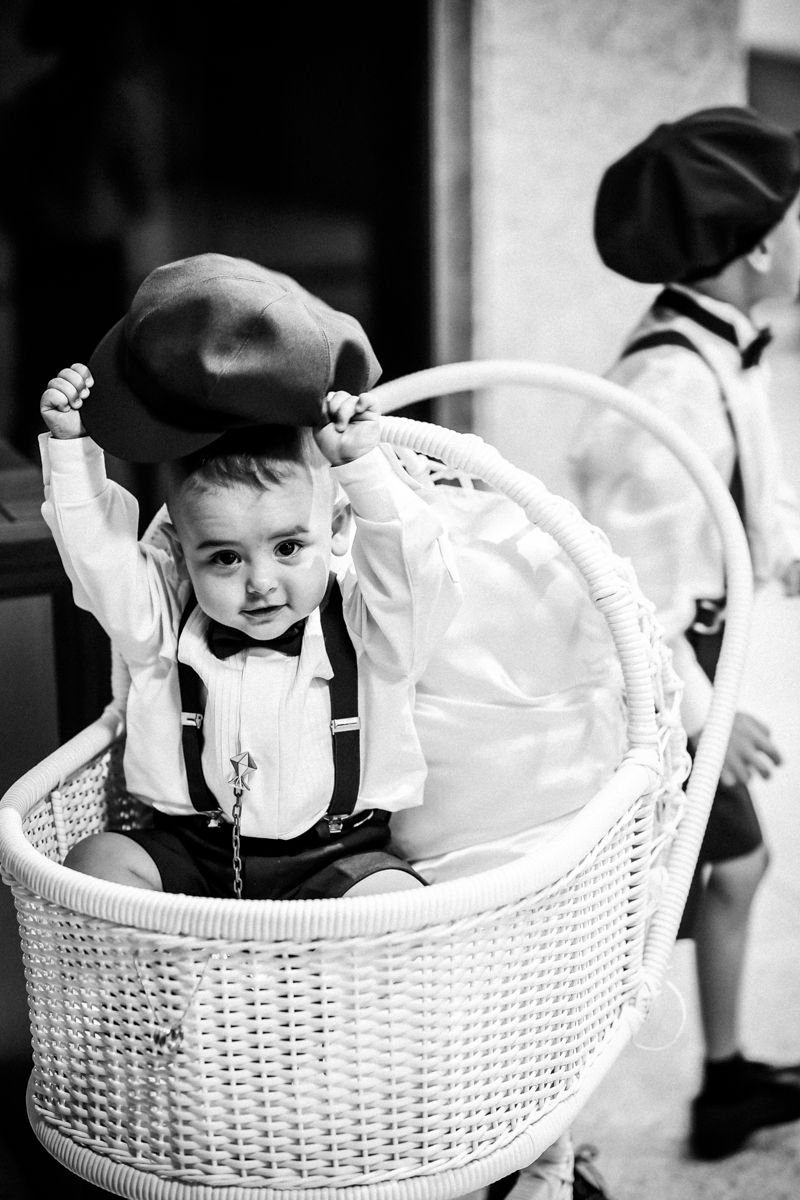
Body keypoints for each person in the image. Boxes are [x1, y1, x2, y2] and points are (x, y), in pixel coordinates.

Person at [38, 253, 462, 901]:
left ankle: (310, 978)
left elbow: (414, 569)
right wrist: (73, 450)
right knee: (93, 862)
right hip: (190, 850)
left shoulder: (372, 631)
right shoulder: (161, 625)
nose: (260, 583)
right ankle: (187, 986)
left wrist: (363, 474)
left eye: (289, 547)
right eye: (226, 558)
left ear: (338, 530)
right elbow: (98, 561)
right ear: (182, 554)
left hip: (339, 856)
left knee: (399, 907)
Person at [570, 106, 800, 1161]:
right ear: (756, 250)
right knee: (651, 898)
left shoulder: (720, 349)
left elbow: (745, 475)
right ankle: (556, 1104)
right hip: (652, 675)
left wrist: (779, 546)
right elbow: (625, 594)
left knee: (723, 870)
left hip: (689, 653)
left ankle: (720, 1078)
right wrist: (712, 717)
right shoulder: (662, 385)